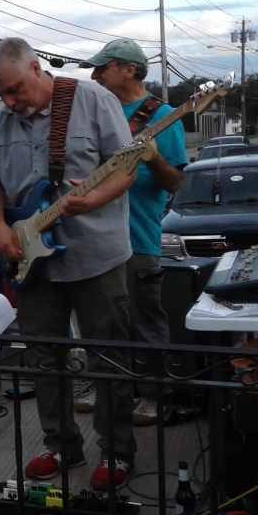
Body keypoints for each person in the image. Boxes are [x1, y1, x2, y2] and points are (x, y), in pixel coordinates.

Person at [0, 37, 145, 491]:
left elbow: (126, 168)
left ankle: (116, 451)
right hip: (31, 261)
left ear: (36, 68)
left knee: (107, 354)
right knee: (43, 356)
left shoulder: (92, 100)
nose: (9, 102)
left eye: (15, 89)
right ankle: (60, 444)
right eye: (1, 94)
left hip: (96, 254)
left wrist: (93, 200)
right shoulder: (0, 123)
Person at [81, 39, 187, 426]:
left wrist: (153, 157)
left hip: (137, 240)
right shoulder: (96, 112)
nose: (95, 75)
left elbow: (174, 183)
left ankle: (156, 395)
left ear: (129, 69)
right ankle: (109, 389)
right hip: (94, 239)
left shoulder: (163, 116)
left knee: (145, 322)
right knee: (101, 323)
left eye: (103, 67)